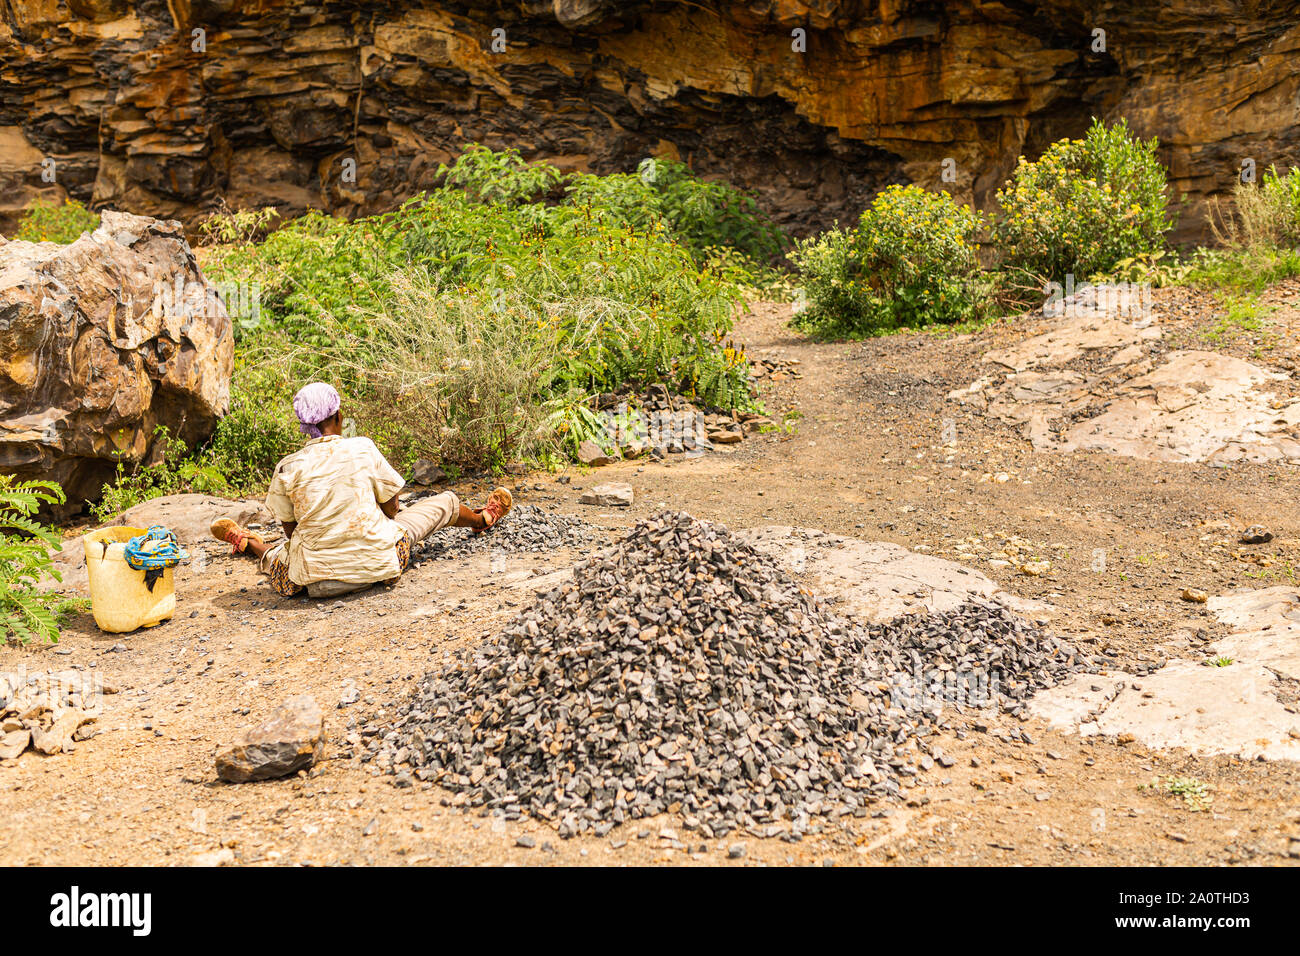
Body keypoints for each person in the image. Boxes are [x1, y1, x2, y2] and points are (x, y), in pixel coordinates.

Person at [210, 382, 512, 598]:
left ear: (304, 427)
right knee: (445, 502)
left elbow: (292, 533)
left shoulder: (288, 468)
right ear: (339, 417)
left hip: (314, 583)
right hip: (381, 566)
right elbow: (392, 510)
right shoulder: (363, 448)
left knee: (278, 556)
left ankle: (247, 542)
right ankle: (482, 520)